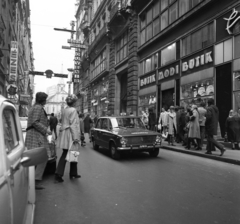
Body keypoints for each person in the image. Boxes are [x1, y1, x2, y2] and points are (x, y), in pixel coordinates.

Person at [25, 92, 51, 190]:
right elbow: (35, 122)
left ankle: (31, 179)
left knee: (33, 157)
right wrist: (46, 129)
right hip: (36, 135)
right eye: (45, 99)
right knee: (43, 156)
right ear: (42, 100)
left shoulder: (34, 107)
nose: (46, 101)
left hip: (34, 134)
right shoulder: (38, 108)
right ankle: (35, 180)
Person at [55, 94, 81, 182]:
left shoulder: (65, 110)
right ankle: (59, 174)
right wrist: (76, 137)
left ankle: (73, 173)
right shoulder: (73, 110)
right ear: (74, 102)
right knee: (68, 153)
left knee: (73, 152)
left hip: (65, 133)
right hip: (70, 134)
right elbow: (73, 124)